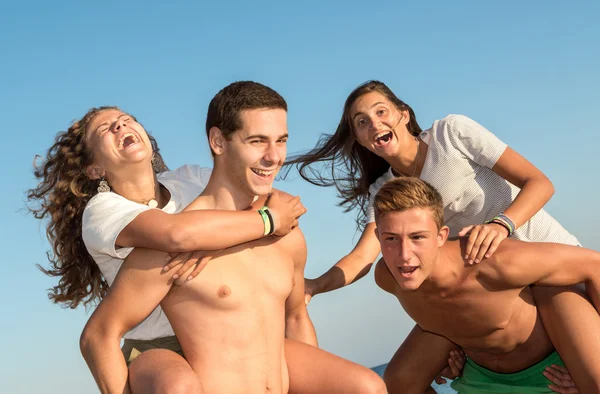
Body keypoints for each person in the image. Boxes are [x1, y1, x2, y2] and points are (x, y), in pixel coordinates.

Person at [286, 80, 600, 390]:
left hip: (547, 268)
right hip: (485, 288)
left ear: (404, 115)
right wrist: (313, 286)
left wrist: (501, 225)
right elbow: (363, 257)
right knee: (400, 380)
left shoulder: (452, 133)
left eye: (381, 112)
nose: (374, 124)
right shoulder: (384, 190)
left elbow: (540, 183)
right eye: (362, 122)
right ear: (360, 139)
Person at [79, 81, 387, 394]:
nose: (274, 156)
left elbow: (295, 317)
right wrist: (255, 223)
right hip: (154, 352)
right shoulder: (146, 239)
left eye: (280, 141)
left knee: (368, 387)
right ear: (218, 141)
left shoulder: (279, 229)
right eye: (257, 141)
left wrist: (261, 220)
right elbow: (177, 235)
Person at [27, 101, 306, 392]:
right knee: (178, 385)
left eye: (126, 119)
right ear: (95, 168)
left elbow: (275, 199)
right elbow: (177, 235)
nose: (120, 126)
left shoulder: (189, 178)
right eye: (105, 129)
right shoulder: (102, 211)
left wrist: (216, 241)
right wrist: (266, 221)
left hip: (219, 332)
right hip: (156, 348)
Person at [372, 177, 598, 393]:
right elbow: (455, 314)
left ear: (441, 236)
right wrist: (451, 350)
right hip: (482, 377)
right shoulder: (387, 278)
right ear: (378, 237)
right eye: (391, 238)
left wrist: (586, 371)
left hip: (552, 371)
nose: (404, 255)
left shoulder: (494, 263)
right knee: (397, 384)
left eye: (417, 237)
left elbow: (593, 264)